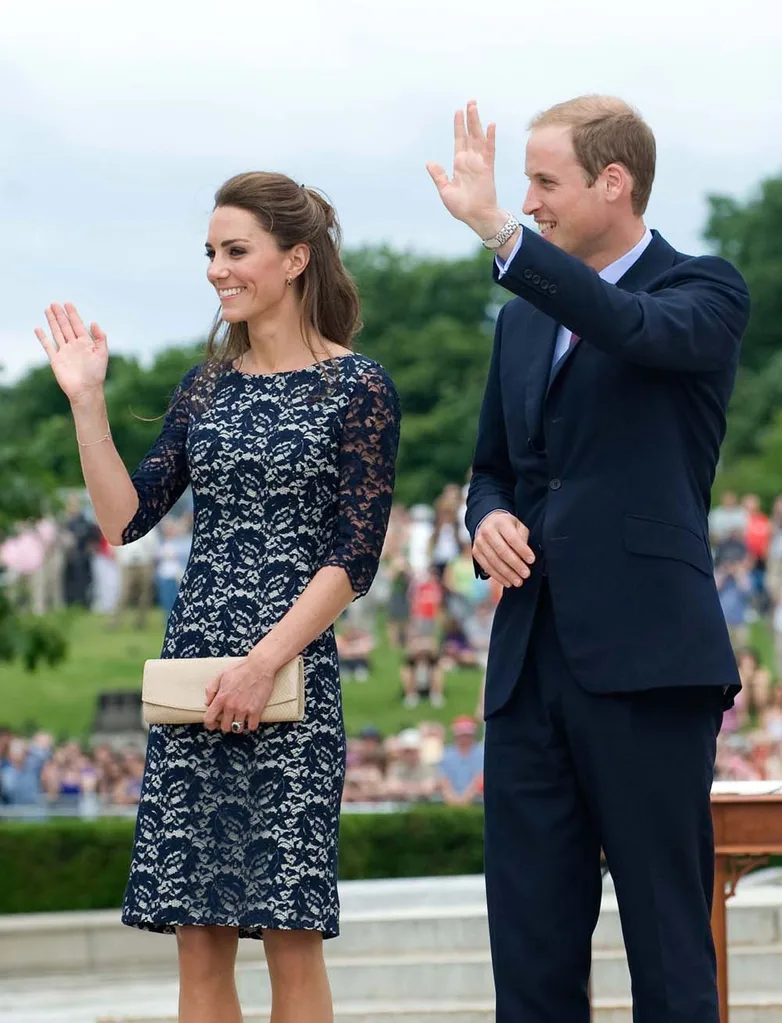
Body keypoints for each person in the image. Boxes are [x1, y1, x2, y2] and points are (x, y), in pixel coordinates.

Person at [34, 171, 401, 1023]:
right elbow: (126, 519)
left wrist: (261, 662)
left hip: (289, 678)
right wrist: (87, 403)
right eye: (210, 252)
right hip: (198, 673)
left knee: (289, 937)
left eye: (235, 251)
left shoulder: (360, 387)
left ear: (294, 258)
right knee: (198, 940)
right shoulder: (207, 385)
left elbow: (355, 556)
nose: (216, 269)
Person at [427, 97, 750, 1022]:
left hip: (650, 664)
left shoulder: (704, 290)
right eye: (523, 185)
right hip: (530, 667)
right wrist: (485, 519)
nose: (527, 201)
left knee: (667, 939)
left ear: (615, 183)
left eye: (543, 182)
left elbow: (631, 331)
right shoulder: (519, 323)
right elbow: (491, 471)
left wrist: (497, 234)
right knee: (528, 948)